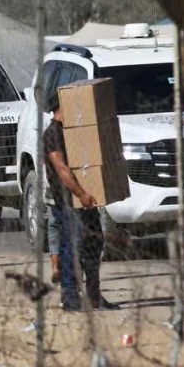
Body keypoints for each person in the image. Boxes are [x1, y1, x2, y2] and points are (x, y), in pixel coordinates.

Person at [43, 93, 118, 311]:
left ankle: (94, 296)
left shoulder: (73, 131)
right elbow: (62, 169)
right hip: (69, 201)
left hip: (85, 200)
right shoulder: (53, 133)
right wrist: (81, 193)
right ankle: (70, 297)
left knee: (94, 244)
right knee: (73, 247)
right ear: (59, 108)